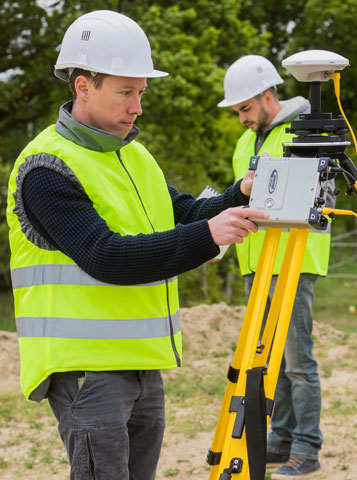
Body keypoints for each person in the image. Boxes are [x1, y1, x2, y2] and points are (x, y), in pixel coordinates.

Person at [6, 11, 268, 480]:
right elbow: (104, 255)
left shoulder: (131, 153)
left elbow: (183, 213)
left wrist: (239, 195)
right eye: (126, 92)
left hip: (142, 363)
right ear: (83, 86)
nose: (137, 107)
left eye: (141, 93)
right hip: (88, 371)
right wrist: (209, 237)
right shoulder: (46, 167)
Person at [218, 55, 334, 479]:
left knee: (298, 360)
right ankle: (280, 440)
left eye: (245, 108)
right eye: (237, 112)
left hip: (292, 263)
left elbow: (321, 197)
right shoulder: (243, 143)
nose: (241, 118)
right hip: (255, 263)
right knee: (272, 361)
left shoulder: (302, 133)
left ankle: (307, 447)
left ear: (268, 96)